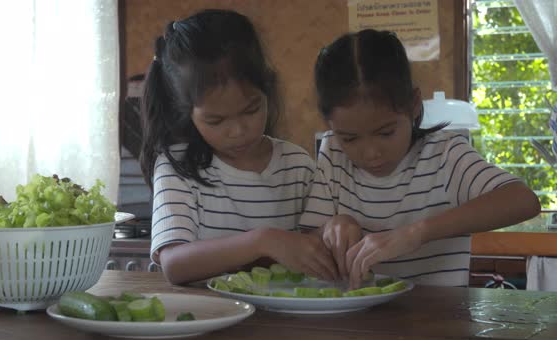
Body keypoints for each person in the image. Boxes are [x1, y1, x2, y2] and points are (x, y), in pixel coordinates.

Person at [300, 29, 540, 289]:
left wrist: (417, 233)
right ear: (330, 124)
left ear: (414, 105)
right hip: (354, 321)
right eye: (350, 138)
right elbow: (309, 242)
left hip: (438, 319)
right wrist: (331, 228)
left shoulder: (444, 154)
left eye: (385, 132)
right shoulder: (333, 153)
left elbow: (523, 200)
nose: (370, 153)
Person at [140, 9, 337, 285]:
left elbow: (316, 246)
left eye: (251, 110)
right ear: (186, 114)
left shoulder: (297, 164)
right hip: (208, 322)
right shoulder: (178, 167)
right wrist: (262, 241)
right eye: (216, 120)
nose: (238, 131)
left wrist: (337, 230)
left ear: (268, 90)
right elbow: (174, 264)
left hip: (286, 322)